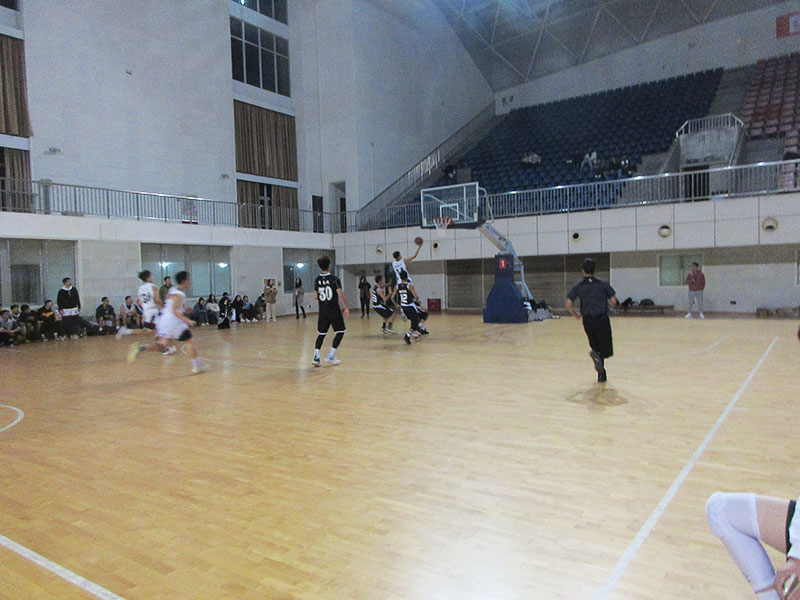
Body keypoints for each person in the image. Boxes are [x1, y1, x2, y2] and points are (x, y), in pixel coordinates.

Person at [128, 271, 207, 374]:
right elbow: (174, 311)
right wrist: (188, 321)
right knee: (189, 341)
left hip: (164, 321)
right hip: (174, 322)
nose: (190, 282)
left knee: (162, 346)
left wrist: (184, 310)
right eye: (188, 280)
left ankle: (140, 348)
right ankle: (197, 366)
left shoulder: (172, 290)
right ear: (184, 281)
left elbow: (172, 306)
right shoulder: (180, 295)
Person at [565, 258, 618, 383]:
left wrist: (575, 314)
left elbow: (568, 303)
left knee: (595, 345)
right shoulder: (603, 284)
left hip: (588, 320)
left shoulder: (579, 286)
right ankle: (601, 367)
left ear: (583, 270)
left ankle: (601, 372)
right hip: (602, 318)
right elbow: (614, 300)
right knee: (605, 347)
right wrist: (609, 308)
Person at [312, 255, 349, 367]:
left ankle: (316, 357)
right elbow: (340, 295)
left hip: (323, 311)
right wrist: (346, 307)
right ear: (329, 265)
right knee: (340, 331)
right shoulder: (334, 279)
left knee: (321, 334)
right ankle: (331, 355)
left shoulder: (317, 280)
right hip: (334, 311)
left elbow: (315, 296)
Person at [392, 270, 426, 345]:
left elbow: (392, 297)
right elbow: (416, 297)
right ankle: (408, 335)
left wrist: (396, 304)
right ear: (407, 277)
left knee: (415, 320)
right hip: (410, 306)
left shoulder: (397, 286)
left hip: (403, 307)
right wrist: (416, 300)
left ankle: (416, 332)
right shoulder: (409, 286)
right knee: (417, 320)